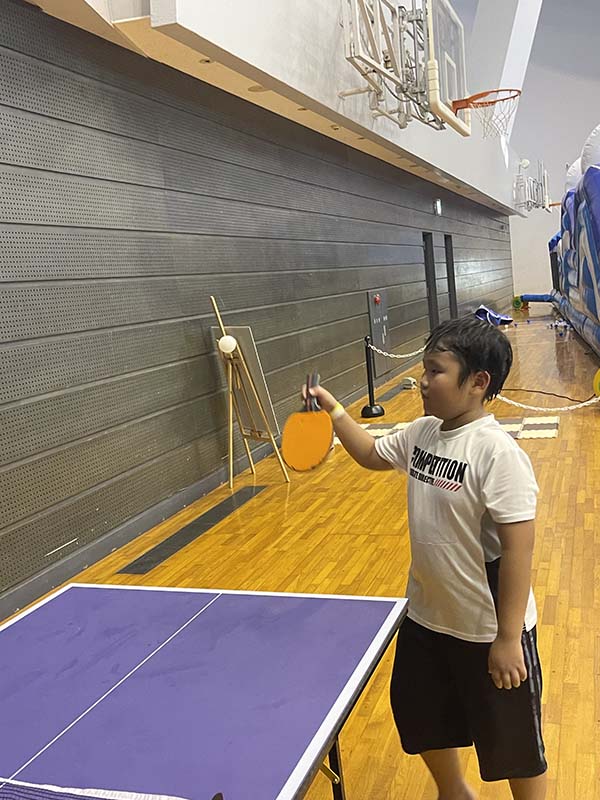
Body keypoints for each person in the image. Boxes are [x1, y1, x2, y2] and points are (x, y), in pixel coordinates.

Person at [306, 316, 547, 800]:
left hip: (487, 630)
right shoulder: (423, 433)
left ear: (478, 382)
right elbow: (374, 454)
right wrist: (334, 411)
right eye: (424, 368)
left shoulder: (497, 453)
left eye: (435, 370)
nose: (422, 380)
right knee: (422, 719)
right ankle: (454, 792)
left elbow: (519, 549)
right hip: (428, 617)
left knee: (515, 745)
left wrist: (507, 638)